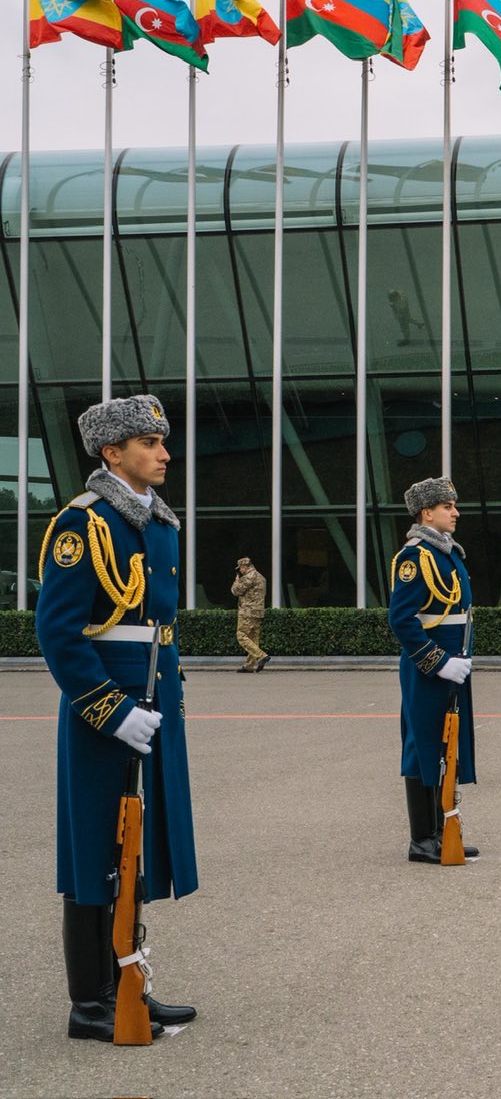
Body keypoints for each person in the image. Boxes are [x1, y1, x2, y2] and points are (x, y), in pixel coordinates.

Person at [35, 394, 197, 1040]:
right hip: (106, 709)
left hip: (154, 703)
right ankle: (91, 1003)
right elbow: (59, 633)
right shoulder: (85, 524)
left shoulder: (156, 521)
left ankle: (128, 980)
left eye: (162, 442)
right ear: (112, 452)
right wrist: (110, 710)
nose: (164, 453)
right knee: (96, 850)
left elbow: (158, 626)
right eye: (149, 444)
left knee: (135, 849)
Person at [386, 477, 479, 863]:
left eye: (454, 506)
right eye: (447, 507)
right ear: (427, 513)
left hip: (454, 665)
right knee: (423, 747)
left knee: (446, 746)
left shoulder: (446, 553)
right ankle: (422, 838)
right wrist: (438, 662)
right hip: (429, 669)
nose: (455, 513)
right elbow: (401, 619)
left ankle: (443, 830)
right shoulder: (416, 557)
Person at [229, 556, 270, 672]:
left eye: (240, 568)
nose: (240, 571)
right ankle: (249, 666)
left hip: (247, 611)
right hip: (258, 611)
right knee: (253, 638)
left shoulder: (248, 577)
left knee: (241, 635)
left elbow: (235, 591)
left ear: (244, 566)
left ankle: (261, 656)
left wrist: (236, 581)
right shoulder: (261, 577)